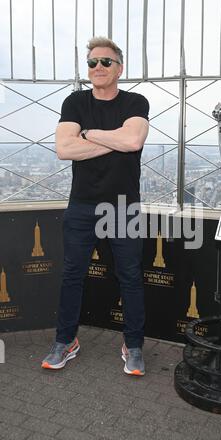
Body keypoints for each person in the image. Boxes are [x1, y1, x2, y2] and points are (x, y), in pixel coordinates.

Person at [41, 36, 149, 376]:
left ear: (120, 68)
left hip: (124, 206)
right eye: (92, 63)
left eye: (105, 62)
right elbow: (64, 150)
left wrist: (87, 134)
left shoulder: (136, 101)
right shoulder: (74, 101)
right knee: (72, 275)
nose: (98, 68)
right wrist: (111, 138)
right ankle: (66, 341)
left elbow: (133, 141)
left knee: (130, 277)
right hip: (82, 205)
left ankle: (133, 346)